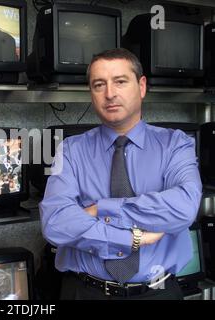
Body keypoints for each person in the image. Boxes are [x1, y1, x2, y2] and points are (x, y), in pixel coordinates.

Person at [39, 48, 202, 300]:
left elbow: (183, 209)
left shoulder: (176, 145)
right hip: (84, 292)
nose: (110, 94)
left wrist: (101, 209)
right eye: (99, 84)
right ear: (91, 93)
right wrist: (133, 239)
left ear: (142, 86)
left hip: (158, 292)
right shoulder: (70, 150)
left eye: (120, 81)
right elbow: (55, 224)